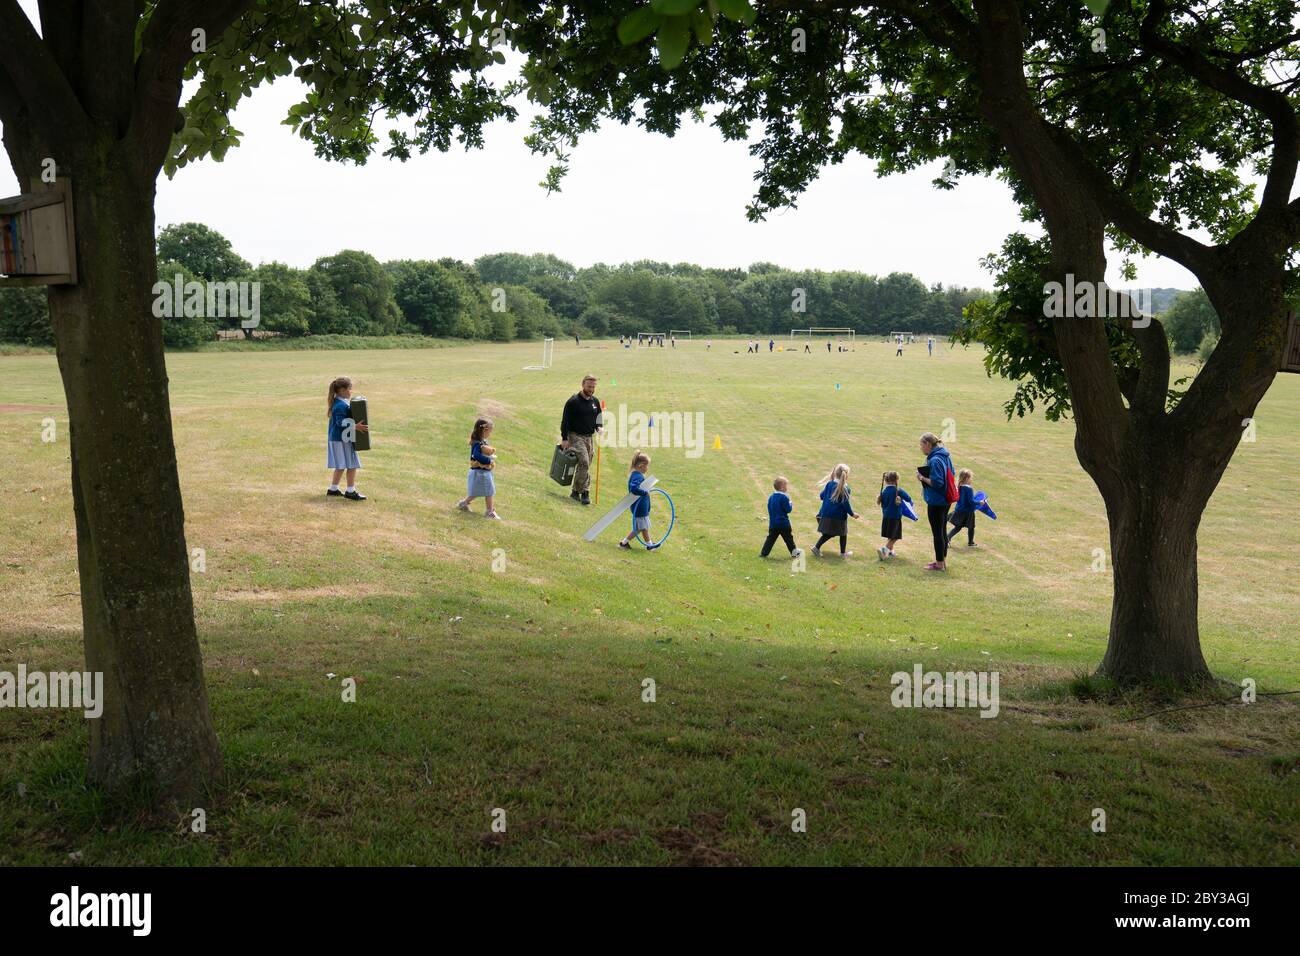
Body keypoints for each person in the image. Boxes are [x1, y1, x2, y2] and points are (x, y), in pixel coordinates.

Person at [560, 375, 602, 505]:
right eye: (589, 386)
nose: (591, 389)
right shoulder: (573, 402)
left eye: (593, 387)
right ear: (583, 385)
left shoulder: (595, 401)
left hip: (589, 437)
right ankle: (585, 492)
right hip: (575, 436)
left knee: (585, 464)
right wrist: (565, 438)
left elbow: (598, 418)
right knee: (584, 461)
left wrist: (599, 428)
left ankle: (575, 492)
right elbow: (565, 421)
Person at [325, 376, 368, 501]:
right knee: (351, 464)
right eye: (350, 389)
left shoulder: (341, 402)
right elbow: (340, 422)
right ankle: (350, 491)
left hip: (340, 438)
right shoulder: (339, 405)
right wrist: (355, 426)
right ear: (342, 390)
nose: (351, 391)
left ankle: (333, 489)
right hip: (341, 439)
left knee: (341, 465)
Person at [917, 432, 954, 571]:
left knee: (937, 533)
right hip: (945, 499)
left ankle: (939, 564)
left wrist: (922, 478)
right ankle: (942, 561)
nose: (920, 448)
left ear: (927, 444)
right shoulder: (945, 456)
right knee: (942, 530)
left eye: (921, 445)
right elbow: (952, 472)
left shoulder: (934, 460)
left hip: (937, 501)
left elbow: (937, 482)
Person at [456, 417, 500, 519]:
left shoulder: (482, 442)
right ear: (484, 430)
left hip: (483, 472)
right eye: (490, 431)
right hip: (480, 472)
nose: (490, 433)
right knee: (489, 491)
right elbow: (476, 455)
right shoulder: (477, 443)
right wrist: (488, 460)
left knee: (477, 491)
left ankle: (463, 504)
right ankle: (489, 512)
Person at [813, 463, 859, 556]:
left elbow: (821, 496)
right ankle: (817, 547)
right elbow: (845, 504)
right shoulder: (845, 488)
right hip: (838, 517)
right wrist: (852, 514)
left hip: (825, 514)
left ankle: (818, 548)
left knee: (835, 533)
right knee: (841, 533)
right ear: (846, 476)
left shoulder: (829, 484)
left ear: (835, 473)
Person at [619, 451, 657, 549]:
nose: (647, 468)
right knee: (640, 528)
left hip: (641, 507)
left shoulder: (638, 475)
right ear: (641, 465)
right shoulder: (637, 476)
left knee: (644, 528)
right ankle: (624, 543)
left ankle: (649, 545)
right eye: (646, 466)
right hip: (639, 507)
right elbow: (634, 489)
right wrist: (644, 492)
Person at [761, 476, 802, 559]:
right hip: (783, 523)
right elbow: (788, 510)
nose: (787, 487)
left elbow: (769, 507)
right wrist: (790, 503)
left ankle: (764, 553)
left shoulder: (771, 497)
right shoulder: (784, 497)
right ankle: (794, 553)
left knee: (770, 539)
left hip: (773, 524)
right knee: (789, 539)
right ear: (782, 487)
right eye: (786, 485)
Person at [876, 470, 912, 560]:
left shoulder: (884, 491)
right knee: (895, 536)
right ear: (896, 480)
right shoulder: (898, 490)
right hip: (895, 517)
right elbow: (908, 498)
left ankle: (891, 551)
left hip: (886, 516)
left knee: (890, 534)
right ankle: (884, 550)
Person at [946, 468, 978, 547]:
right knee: (971, 527)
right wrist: (980, 502)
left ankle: (947, 537)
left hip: (959, 510)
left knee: (958, 527)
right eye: (970, 478)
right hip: (968, 511)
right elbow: (971, 501)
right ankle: (970, 542)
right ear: (967, 478)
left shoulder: (958, 487)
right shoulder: (969, 489)